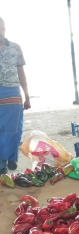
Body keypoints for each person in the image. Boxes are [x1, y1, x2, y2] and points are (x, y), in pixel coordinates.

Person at [0, 17, 30, 174]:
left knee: (13, 130)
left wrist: (27, 96)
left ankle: (10, 155)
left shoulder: (15, 48)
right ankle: (2, 163)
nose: (1, 31)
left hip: (12, 93)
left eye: (3, 28)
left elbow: (21, 73)